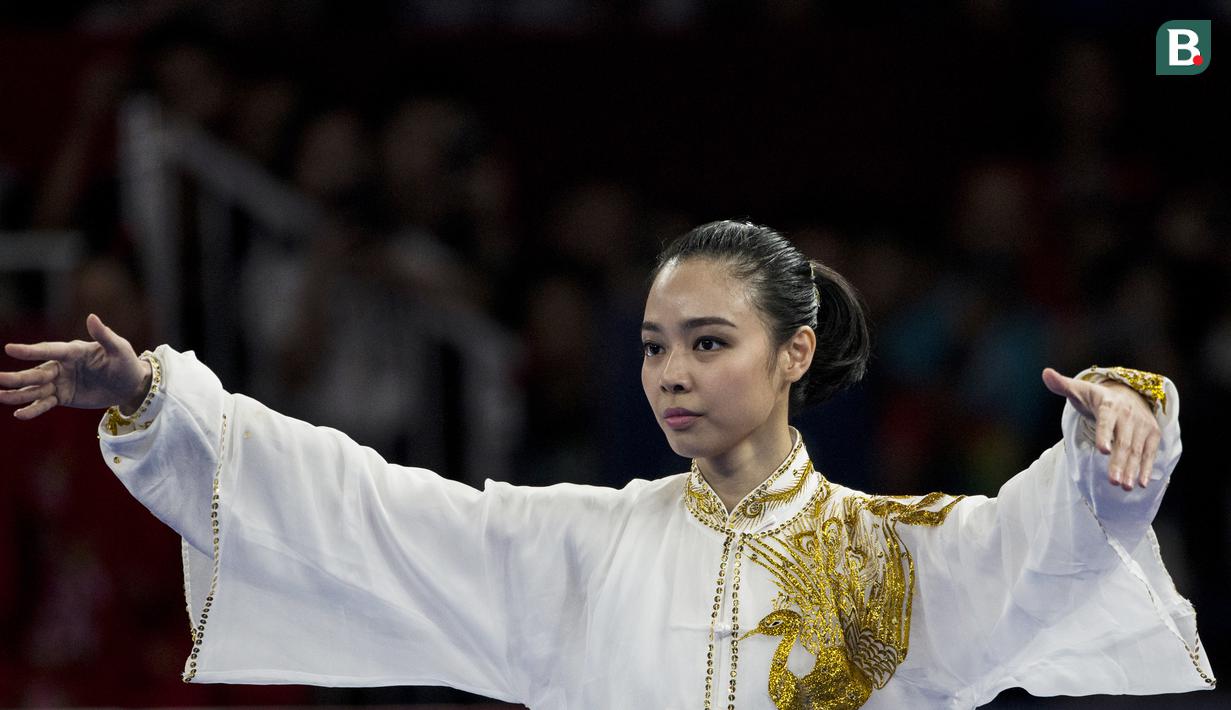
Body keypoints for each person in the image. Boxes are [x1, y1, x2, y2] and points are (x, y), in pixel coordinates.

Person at [0, 220, 1215, 708]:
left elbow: (1048, 541)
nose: (671, 373)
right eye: (652, 346)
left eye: (708, 342)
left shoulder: (902, 547)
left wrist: (1120, 425)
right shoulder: (577, 543)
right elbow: (364, 507)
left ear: (793, 352)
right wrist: (163, 401)